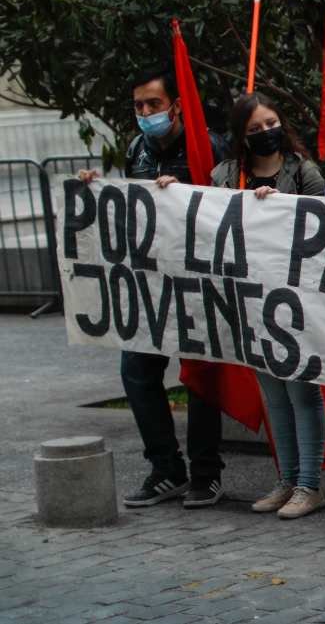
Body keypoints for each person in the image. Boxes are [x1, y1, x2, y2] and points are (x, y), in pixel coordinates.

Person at [84, 68, 228, 509]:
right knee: (137, 371)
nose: (146, 113)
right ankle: (166, 469)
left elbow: (228, 207)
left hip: (199, 283)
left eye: (154, 104)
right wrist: (95, 190)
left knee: (200, 378)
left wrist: (186, 193)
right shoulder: (137, 149)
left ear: (176, 106)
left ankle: (206, 473)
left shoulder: (209, 146)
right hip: (151, 284)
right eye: (139, 106)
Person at [198, 92, 325, 519]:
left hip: (297, 299)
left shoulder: (303, 172)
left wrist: (281, 209)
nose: (265, 133)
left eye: (270, 124)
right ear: (241, 135)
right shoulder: (224, 175)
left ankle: (310, 484)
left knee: (302, 392)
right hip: (250, 301)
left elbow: (324, 230)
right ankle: (287, 479)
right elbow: (207, 223)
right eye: (254, 129)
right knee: (274, 395)